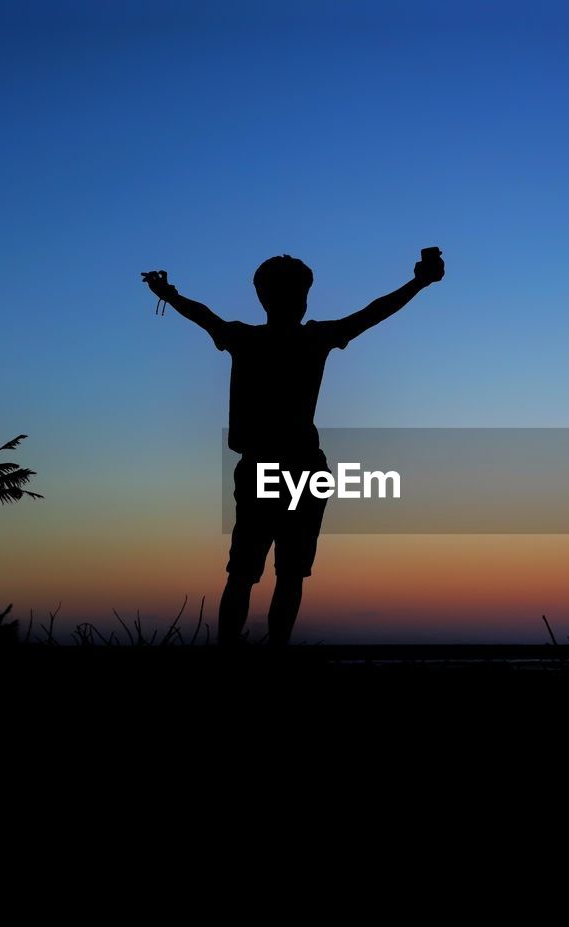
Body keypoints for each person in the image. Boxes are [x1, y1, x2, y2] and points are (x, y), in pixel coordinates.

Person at [142, 248, 445, 645]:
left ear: (261, 297)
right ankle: (270, 652)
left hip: (269, 467)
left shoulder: (246, 339)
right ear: (297, 297)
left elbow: (202, 315)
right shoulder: (308, 338)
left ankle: (235, 653)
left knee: (249, 571)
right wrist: (419, 282)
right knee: (285, 572)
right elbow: (373, 312)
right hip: (300, 467)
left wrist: (168, 293)